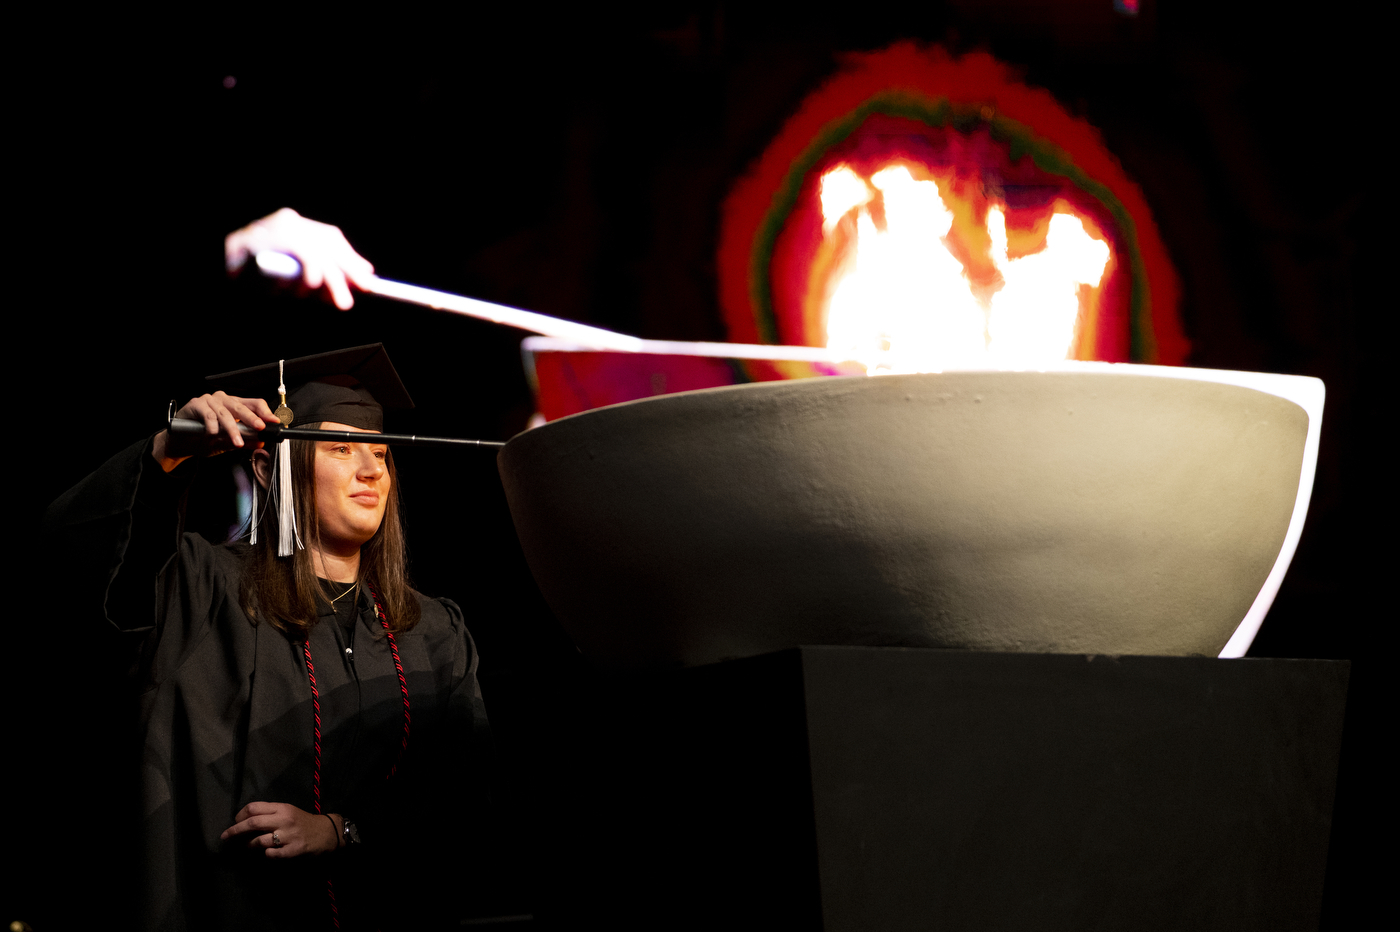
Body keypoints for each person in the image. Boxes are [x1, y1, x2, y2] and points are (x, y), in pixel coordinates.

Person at [44, 344, 491, 931]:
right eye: (340, 448)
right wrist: (166, 452)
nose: (371, 470)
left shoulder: (434, 632)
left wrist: (340, 829)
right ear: (266, 467)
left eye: (380, 453)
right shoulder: (205, 592)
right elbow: (89, 569)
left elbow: (470, 796)